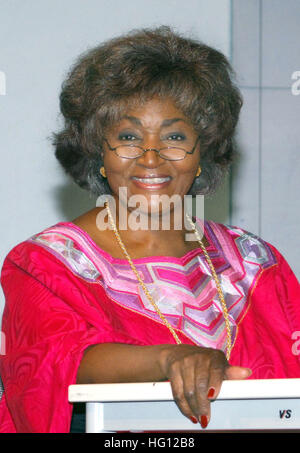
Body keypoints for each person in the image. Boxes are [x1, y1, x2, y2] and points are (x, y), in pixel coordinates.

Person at [0, 26, 299, 434]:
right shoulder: (45, 265)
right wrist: (169, 360)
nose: (152, 157)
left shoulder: (257, 265)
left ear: (205, 151)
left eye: (175, 136)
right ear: (97, 150)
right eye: (128, 137)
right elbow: (52, 367)